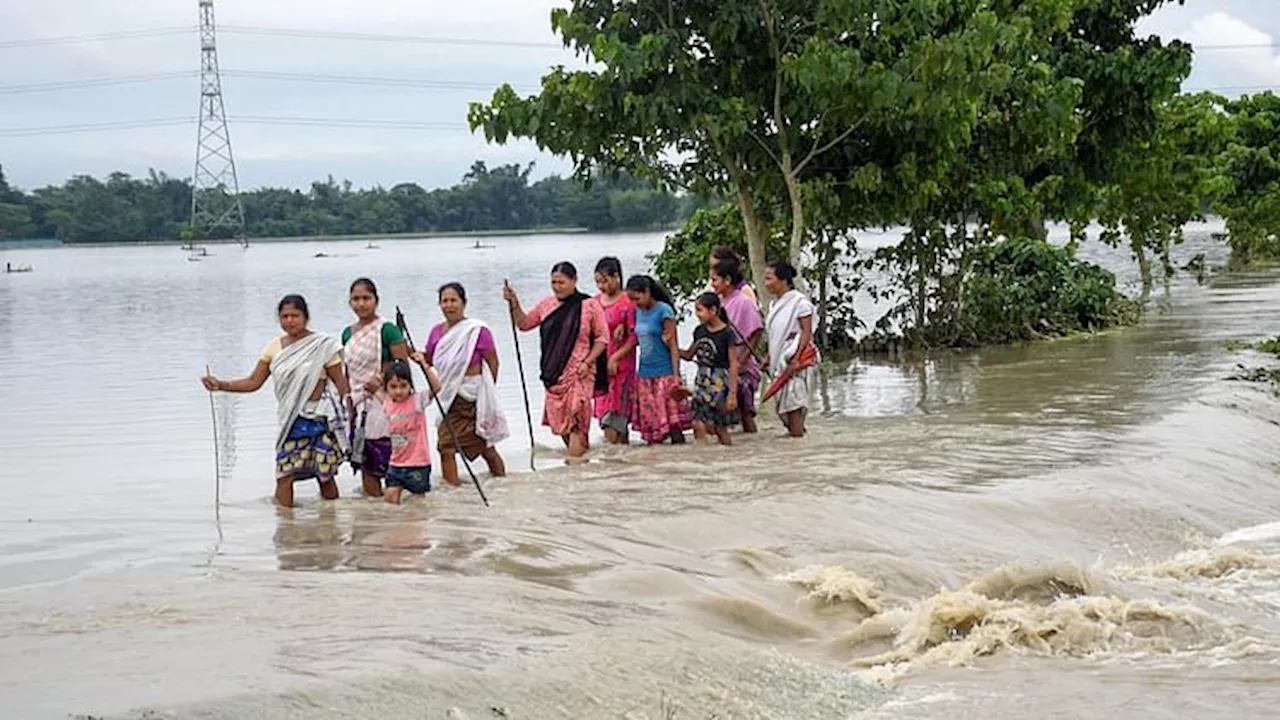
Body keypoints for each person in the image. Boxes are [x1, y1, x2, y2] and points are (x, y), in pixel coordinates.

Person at [202, 295, 352, 508]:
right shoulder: (273, 348)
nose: (290, 320)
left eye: (295, 315)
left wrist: (350, 418)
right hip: (292, 422)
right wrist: (221, 385)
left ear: (306, 317)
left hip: (321, 419)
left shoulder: (323, 346)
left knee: (325, 475)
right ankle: (284, 526)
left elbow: (341, 384)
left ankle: (331, 522)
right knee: (284, 475)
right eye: (285, 316)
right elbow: (254, 382)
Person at [503, 262, 609, 460]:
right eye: (553, 282)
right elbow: (524, 324)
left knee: (577, 419)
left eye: (561, 282)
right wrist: (514, 303)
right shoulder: (547, 305)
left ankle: (575, 468)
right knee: (563, 426)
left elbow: (602, 339)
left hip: (580, 372)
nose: (557, 286)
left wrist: (588, 362)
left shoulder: (589, 305)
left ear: (574, 280)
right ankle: (579, 461)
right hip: (554, 374)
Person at [424, 282, 509, 485]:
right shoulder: (436, 332)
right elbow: (429, 360)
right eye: (444, 301)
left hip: (473, 397)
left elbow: (493, 362)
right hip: (447, 396)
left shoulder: (477, 331)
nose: (449, 305)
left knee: (486, 447)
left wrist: (486, 392)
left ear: (464, 303)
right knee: (446, 447)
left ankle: (503, 483)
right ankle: (452, 489)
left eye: (454, 300)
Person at [341, 277, 409, 498]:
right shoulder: (348, 333)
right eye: (356, 299)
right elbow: (347, 370)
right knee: (365, 457)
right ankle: (375, 505)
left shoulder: (387, 330)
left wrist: (381, 379)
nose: (361, 304)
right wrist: (347, 401)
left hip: (385, 401)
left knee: (392, 454)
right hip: (359, 402)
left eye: (366, 298)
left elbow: (402, 366)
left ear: (376, 300)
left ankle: (395, 513)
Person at [625, 274, 691, 445]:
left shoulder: (664, 311)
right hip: (645, 374)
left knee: (673, 425)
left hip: (665, 373)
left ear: (647, 292)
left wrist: (676, 376)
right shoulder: (637, 312)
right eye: (631, 299)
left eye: (637, 298)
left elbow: (673, 346)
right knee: (651, 428)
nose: (634, 303)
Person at [764, 261, 819, 437]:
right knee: (784, 410)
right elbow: (776, 335)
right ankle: (797, 437)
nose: (766, 283)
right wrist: (769, 357)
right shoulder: (774, 305)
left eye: (769, 278)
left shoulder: (800, 303)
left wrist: (796, 358)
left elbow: (806, 332)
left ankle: (797, 445)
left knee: (793, 406)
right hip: (779, 360)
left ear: (783, 280)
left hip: (795, 361)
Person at [376, 357, 442, 504]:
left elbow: (436, 387)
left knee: (418, 503)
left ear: (410, 385)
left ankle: (416, 525)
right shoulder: (387, 403)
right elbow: (374, 388)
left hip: (417, 464)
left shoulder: (418, 401)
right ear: (386, 388)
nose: (398, 391)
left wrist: (424, 366)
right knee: (390, 497)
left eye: (403, 386)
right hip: (395, 463)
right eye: (393, 387)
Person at [711, 258, 764, 434]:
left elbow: (756, 331)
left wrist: (741, 362)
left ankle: (750, 442)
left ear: (727, 280)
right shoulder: (716, 303)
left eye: (715, 280)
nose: (712, 285)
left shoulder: (744, 302)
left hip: (742, 365)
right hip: (722, 364)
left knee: (745, 411)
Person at [682, 293, 739, 445]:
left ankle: (727, 452)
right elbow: (689, 355)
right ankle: (703, 454)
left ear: (713, 310)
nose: (697, 315)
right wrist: (670, 346)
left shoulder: (727, 333)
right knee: (696, 421)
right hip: (702, 381)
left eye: (700, 310)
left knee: (719, 426)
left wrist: (732, 394)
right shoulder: (699, 331)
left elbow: (734, 363)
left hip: (719, 382)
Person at [592, 257, 638, 444]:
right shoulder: (594, 303)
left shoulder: (628, 303)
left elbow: (635, 337)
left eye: (605, 281)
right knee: (606, 419)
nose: (601, 286)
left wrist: (616, 358)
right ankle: (621, 465)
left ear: (617, 277)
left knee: (615, 419)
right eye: (597, 282)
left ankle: (612, 465)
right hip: (600, 367)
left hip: (621, 368)